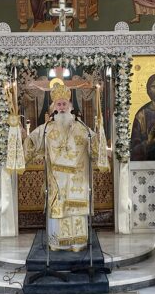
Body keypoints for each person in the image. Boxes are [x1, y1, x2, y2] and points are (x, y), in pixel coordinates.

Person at [23, 81, 108, 251]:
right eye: (58, 104)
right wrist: (19, 133)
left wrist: (99, 135)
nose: (61, 107)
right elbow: (31, 143)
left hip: (77, 180)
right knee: (59, 208)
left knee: (76, 209)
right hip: (56, 180)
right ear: (53, 107)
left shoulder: (82, 128)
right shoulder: (46, 129)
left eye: (64, 104)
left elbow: (95, 148)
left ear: (70, 106)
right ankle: (57, 243)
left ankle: (78, 243)